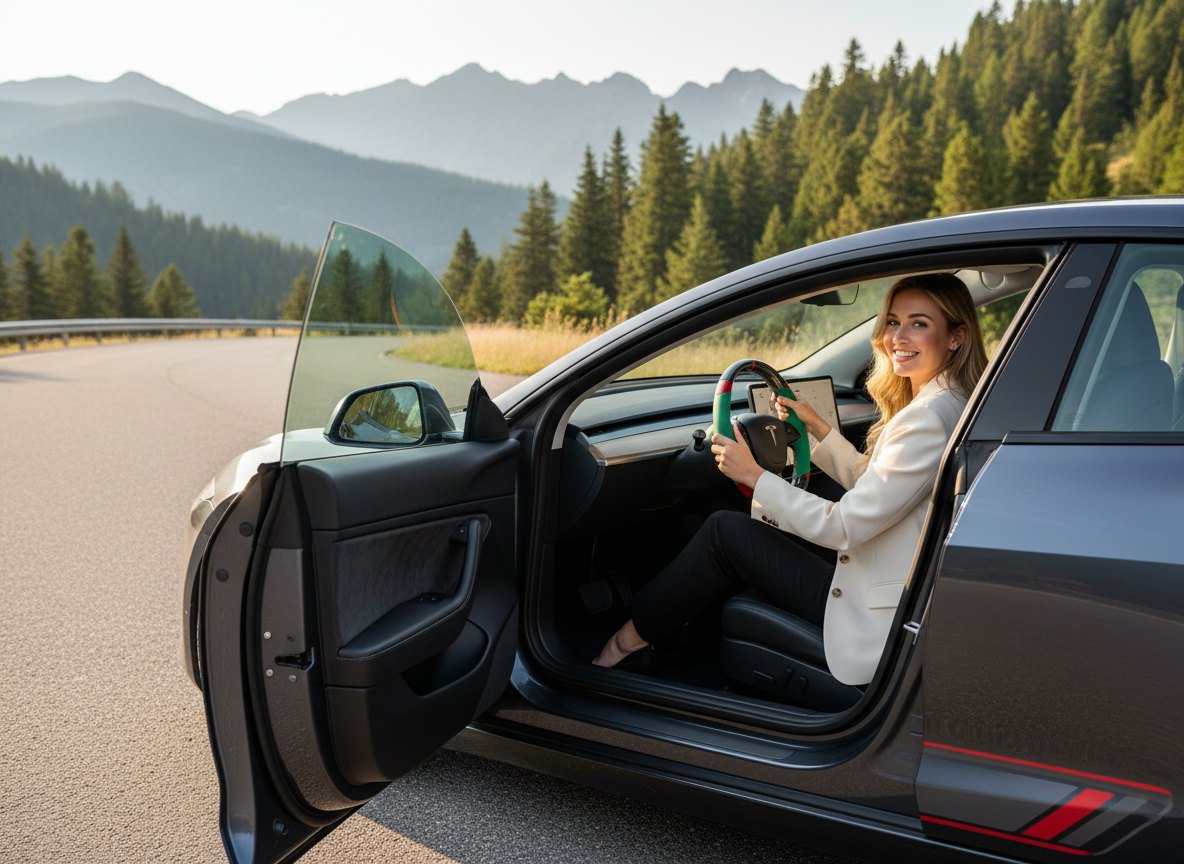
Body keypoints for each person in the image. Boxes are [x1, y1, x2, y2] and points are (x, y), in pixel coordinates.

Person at [593, 273, 989, 686]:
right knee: (727, 523)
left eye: (918, 323)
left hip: (877, 610)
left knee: (723, 532)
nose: (898, 337)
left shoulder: (924, 420)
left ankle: (624, 645)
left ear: (956, 337)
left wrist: (755, 474)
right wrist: (817, 429)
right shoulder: (954, 400)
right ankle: (662, 634)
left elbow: (844, 526)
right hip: (898, 580)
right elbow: (878, 485)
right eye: (892, 321)